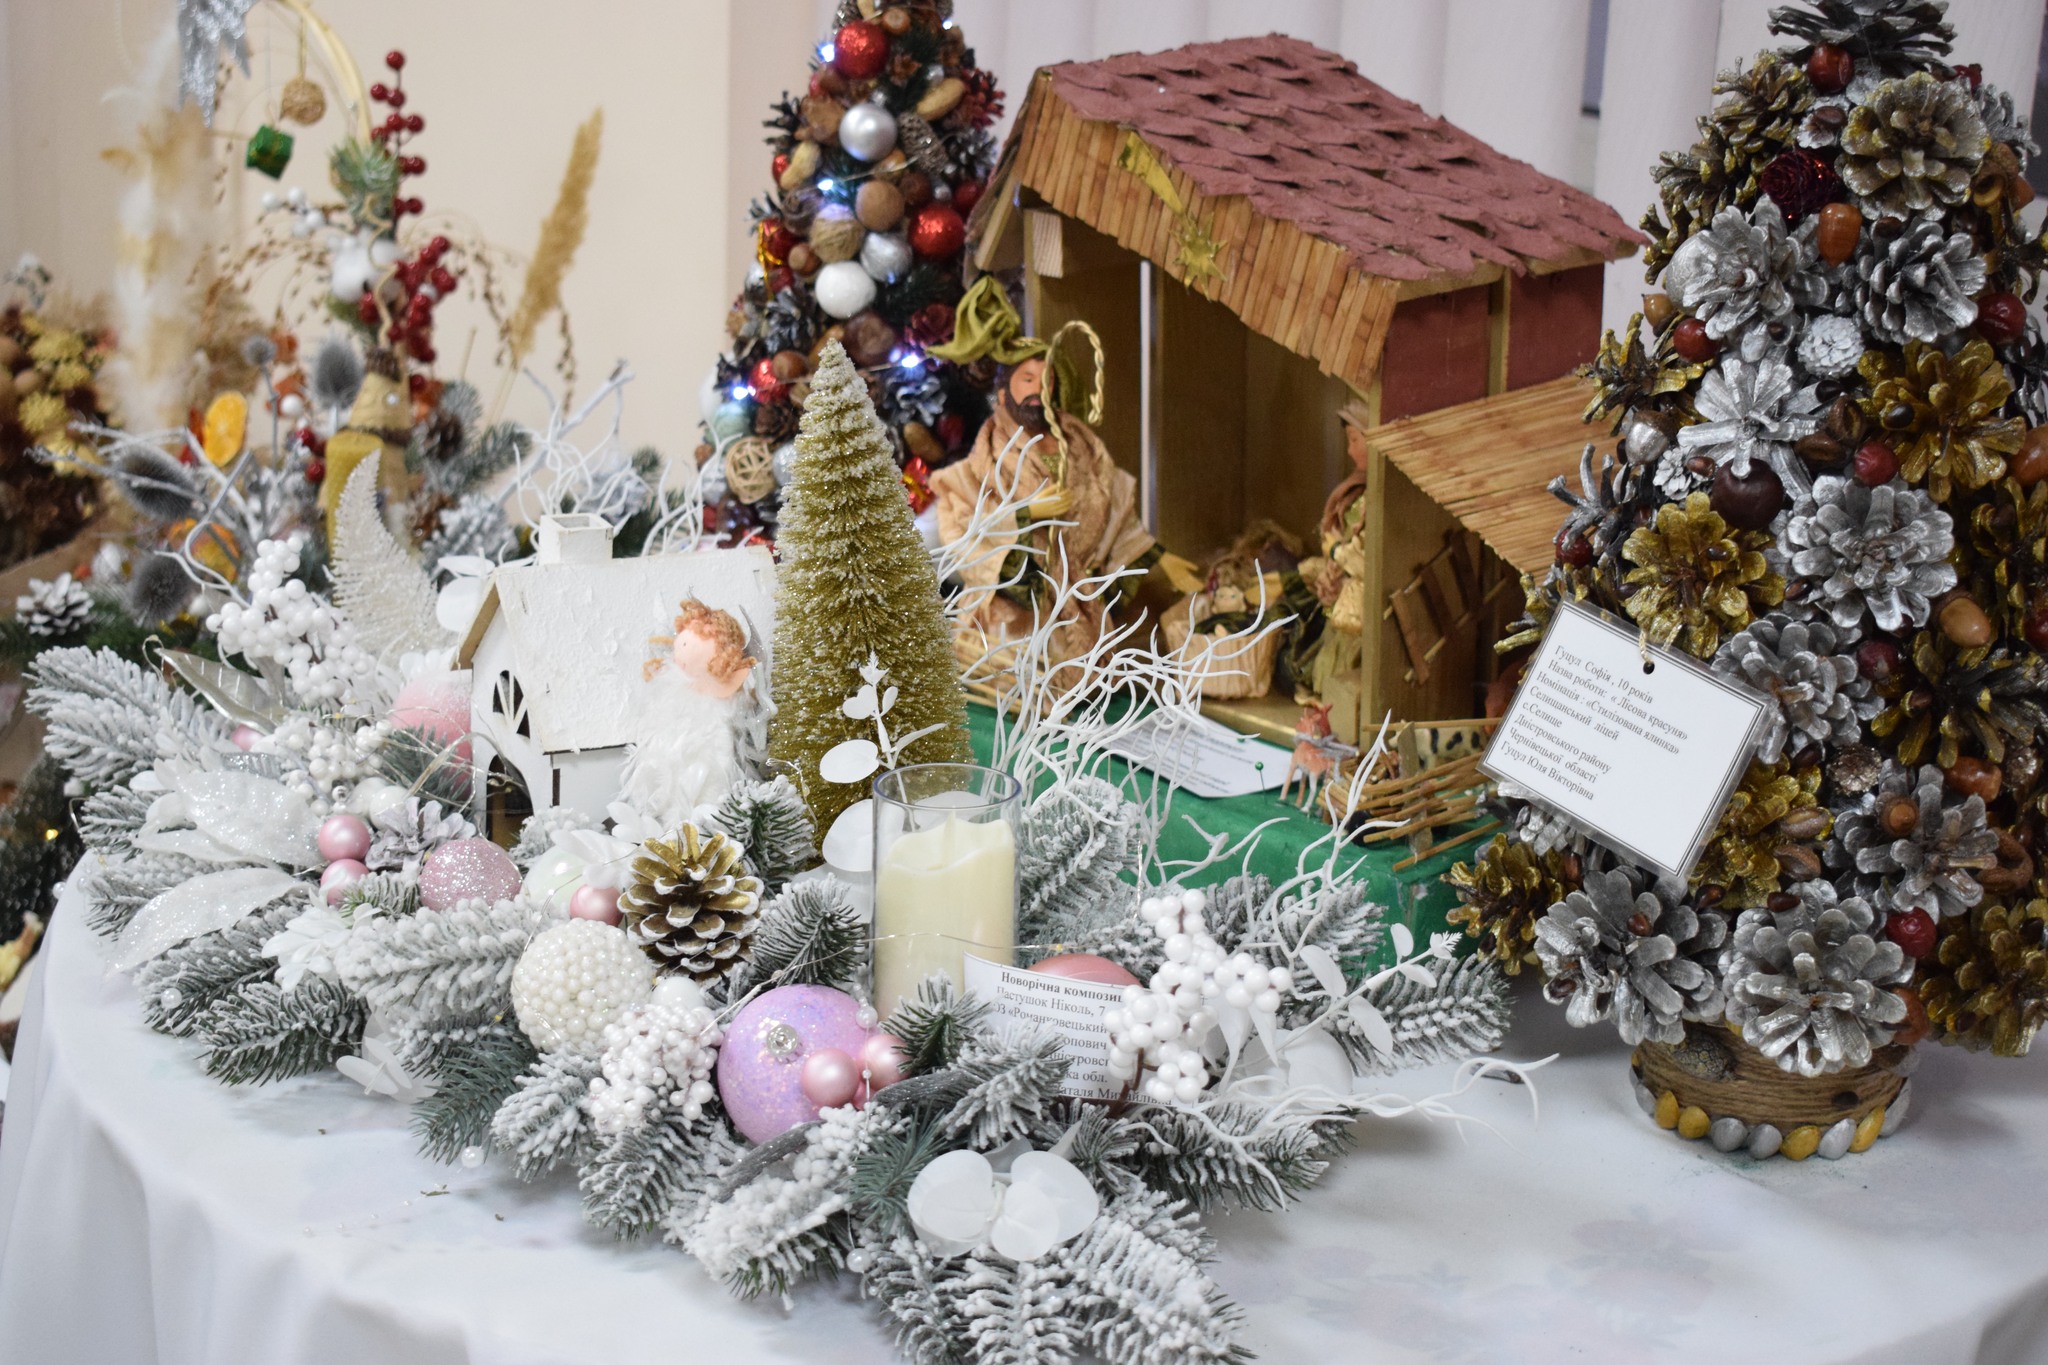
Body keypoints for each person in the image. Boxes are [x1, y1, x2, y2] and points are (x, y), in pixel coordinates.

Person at [928, 278, 1188, 670]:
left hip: (1083, 603)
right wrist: (1024, 515)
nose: (1039, 389)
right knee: (1016, 673)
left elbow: (1118, 516)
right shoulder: (978, 469)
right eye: (1027, 380)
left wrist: (1163, 561)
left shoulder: (1086, 453)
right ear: (1003, 394)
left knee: (1087, 670)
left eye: (1047, 379)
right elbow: (963, 529)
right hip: (1013, 625)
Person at [619, 599, 757, 829]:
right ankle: (669, 820)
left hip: (710, 769)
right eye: (682, 640)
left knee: (710, 782)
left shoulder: (722, 699)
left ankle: (703, 823)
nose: (680, 646)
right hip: (668, 769)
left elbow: (722, 753)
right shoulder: (672, 688)